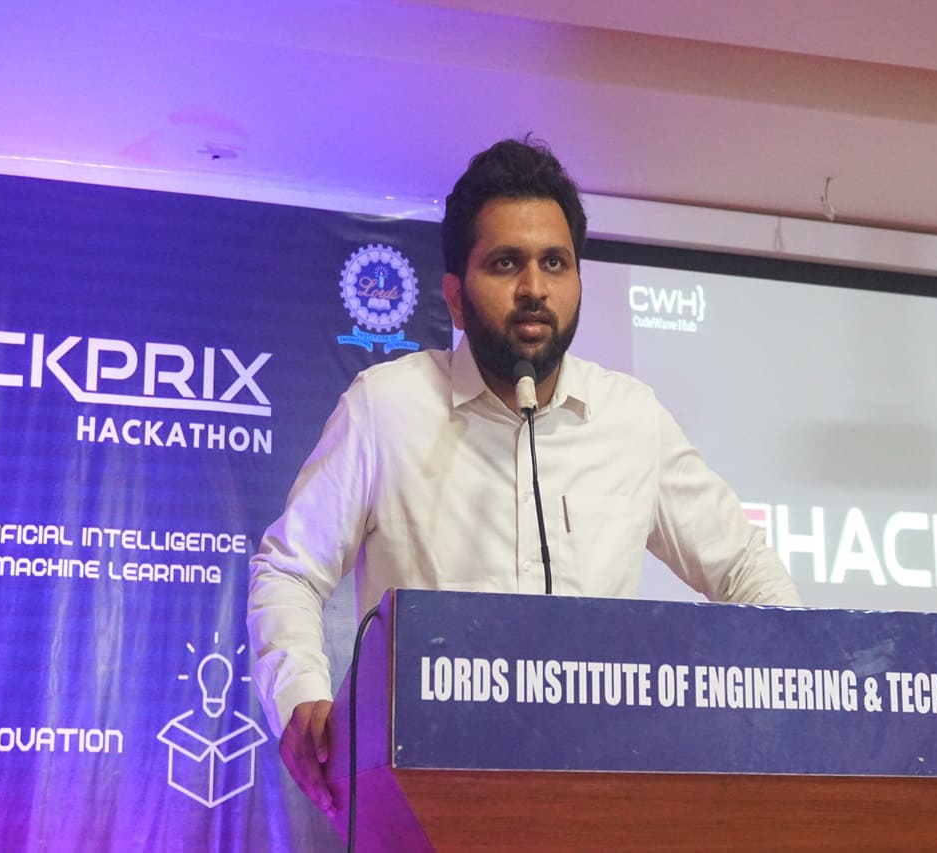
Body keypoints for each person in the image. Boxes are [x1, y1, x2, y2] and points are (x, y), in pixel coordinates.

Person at [247, 137, 800, 816]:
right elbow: (289, 570)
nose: (534, 288)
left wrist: (795, 699)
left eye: (555, 263)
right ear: (455, 296)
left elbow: (745, 569)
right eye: (506, 263)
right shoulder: (385, 408)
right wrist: (300, 694)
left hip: (598, 800)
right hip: (426, 800)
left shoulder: (631, 418)